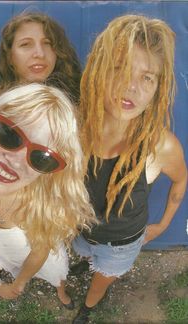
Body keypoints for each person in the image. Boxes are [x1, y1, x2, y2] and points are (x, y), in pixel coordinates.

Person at [71, 14, 187, 323]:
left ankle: (90, 306)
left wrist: (162, 225)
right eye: (120, 69)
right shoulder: (76, 127)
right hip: (81, 230)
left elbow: (180, 182)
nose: (131, 87)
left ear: (156, 90)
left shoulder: (160, 146)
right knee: (82, 253)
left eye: (147, 77)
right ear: (99, 70)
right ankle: (86, 261)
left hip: (119, 244)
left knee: (101, 278)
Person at [0, 83, 96, 308]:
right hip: (0, 252)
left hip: (43, 261)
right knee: (0, 258)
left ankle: (60, 288)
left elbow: (39, 254)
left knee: (56, 274)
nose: (16, 160)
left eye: (42, 157)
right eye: (9, 134)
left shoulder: (47, 204)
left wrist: (20, 284)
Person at [0, 11, 81, 146]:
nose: (40, 53)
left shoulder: (72, 104)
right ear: (10, 57)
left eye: (47, 43)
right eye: (26, 44)